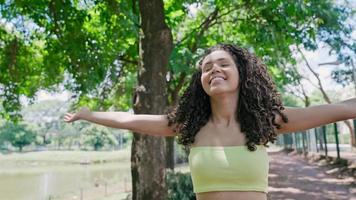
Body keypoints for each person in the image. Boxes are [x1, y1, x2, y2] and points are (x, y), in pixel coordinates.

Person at [63, 44, 356, 200]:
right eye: (206, 67)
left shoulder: (269, 120)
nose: (214, 69)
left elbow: (338, 108)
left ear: (242, 74)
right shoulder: (187, 125)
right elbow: (129, 118)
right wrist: (89, 115)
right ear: (201, 80)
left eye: (223, 64)